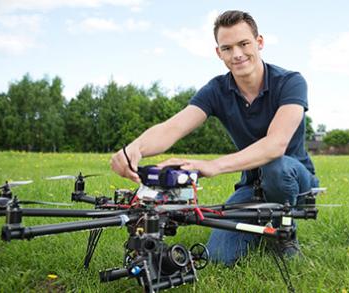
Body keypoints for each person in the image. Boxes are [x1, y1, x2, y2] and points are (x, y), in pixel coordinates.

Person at [109, 10, 317, 266]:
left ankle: (285, 230)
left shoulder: (290, 82)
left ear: (259, 42)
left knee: (277, 166)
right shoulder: (217, 89)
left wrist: (212, 166)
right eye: (227, 48)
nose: (237, 54)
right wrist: (134, 148)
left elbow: (276, 145)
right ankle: (262, 220)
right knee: (219, 257)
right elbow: (173, 127)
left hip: (294, 178)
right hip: (252, 185)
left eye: (244, 44)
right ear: (219, 53)